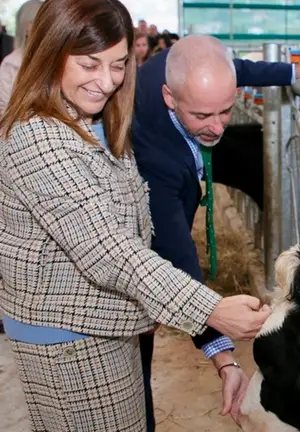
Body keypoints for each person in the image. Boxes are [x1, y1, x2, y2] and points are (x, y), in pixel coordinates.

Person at [0, 0, 271, 430]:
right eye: (89, 64)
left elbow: (142, 233)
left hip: (107, 327)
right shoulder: (39, 138)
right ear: (51, 53)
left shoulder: (99, 122)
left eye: (118, 64)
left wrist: (220, 354)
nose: (107, 81)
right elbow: (108, 251)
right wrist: (212, 310)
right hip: (71, 343)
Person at [131, 34, 300, 427]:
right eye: (202, 116)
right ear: (169, 97)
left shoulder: (185, 67)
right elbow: (179, 254)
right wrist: (220, 347)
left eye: (226, 110)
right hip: (133, 247)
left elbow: (238, 69)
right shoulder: (155, 153)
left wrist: (299, 70)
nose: (217, 128)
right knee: (134, 355)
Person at [0, 0, 42, 115]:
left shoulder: (59, 59)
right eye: (36, 22)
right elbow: (3, 108)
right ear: (27, 27)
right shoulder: (10, 64)